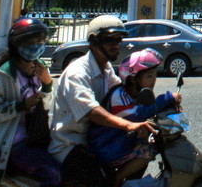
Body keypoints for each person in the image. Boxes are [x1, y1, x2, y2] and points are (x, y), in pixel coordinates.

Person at [49, 15, 156, 187]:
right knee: (103, 181)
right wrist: (127, 125)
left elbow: (122, 94)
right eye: (110, 40)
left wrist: (160, 105)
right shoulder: (77, 73)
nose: (116, 45)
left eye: (119, 40)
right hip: (70, 145)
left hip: (95, 142)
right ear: (93, 42)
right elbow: (91, 111)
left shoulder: (106, 69)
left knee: (145, 150)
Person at [0, 17, 61, 187]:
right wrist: (21, 105)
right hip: (12, 142)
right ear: (17, 44)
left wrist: (48, 84)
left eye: (41, 41)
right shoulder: (5, 75)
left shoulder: (39, 68)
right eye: (31, 42)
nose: (37, 46)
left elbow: (46, 106)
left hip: (36, 135)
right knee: (54, 175)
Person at [89, 48, 182, 186]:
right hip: (107, 147)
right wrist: (168, 98)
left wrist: (170, 105)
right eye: (149, 76)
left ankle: (130, 181)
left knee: (150, 141)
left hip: (119, 142)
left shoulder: (137, 95)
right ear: (133, 79)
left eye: (155, 75)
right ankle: (116, 179)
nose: (154, 80)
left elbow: (148, 108)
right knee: (150, 148)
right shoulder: (119, 96)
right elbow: (137, 115)